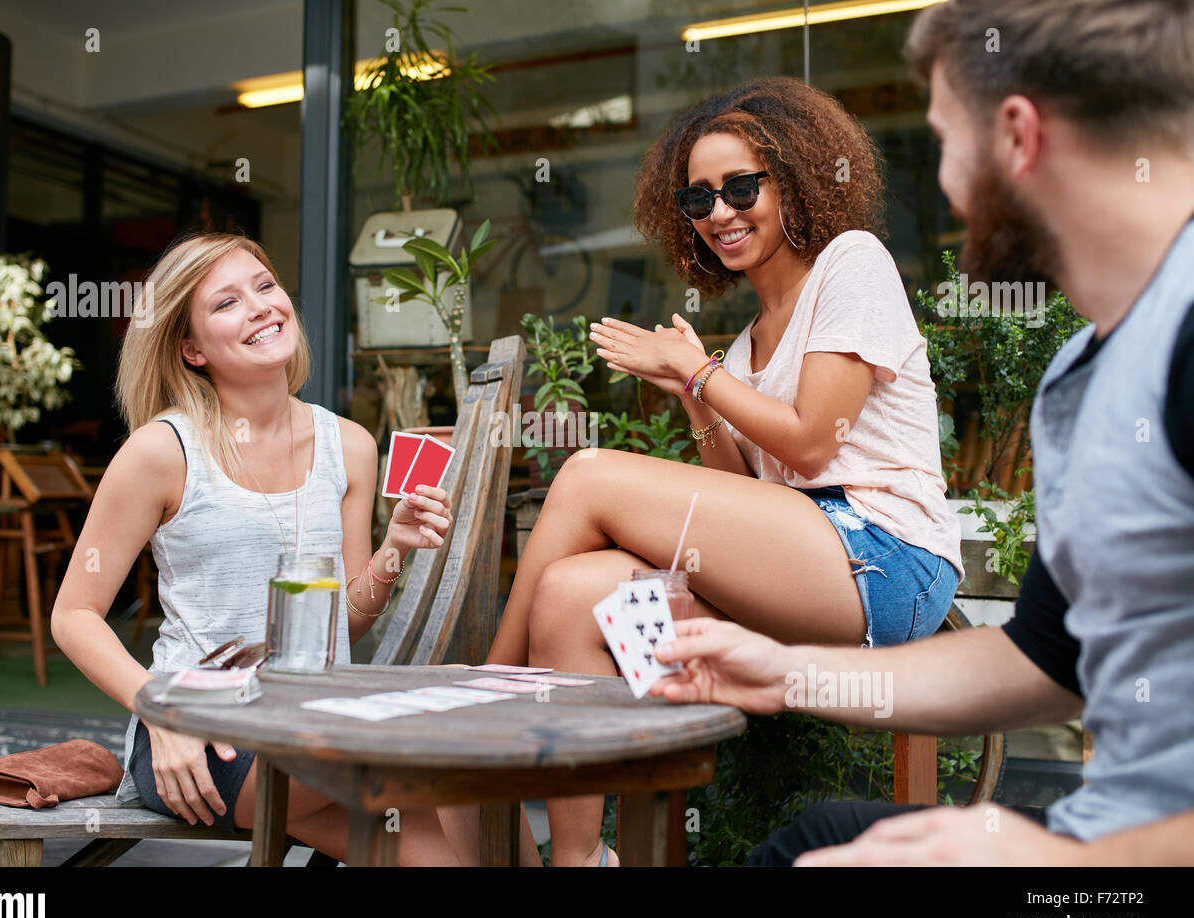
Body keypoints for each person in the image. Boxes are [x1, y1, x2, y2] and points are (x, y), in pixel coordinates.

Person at [650, 0, 1194, 866]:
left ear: (1017, 135)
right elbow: (1043, 664)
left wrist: (1071, 868)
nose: (942, 182)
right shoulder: (1084, 374)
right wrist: (782, 671)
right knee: (806, 848)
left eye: (946, 140)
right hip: (1107, 839)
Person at [465, 75, 963, 867]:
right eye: (699, 200)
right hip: (808, 560)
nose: (721, 213)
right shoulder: (743, 344)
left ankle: (482, 698)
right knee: (572, 595)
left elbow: (810, 446)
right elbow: (749, 495)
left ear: (793, 180)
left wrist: (700, 377)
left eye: (740, 187)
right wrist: (697, 398)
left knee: (590, 472)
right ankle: (579, 860)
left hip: (888, 561)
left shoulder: (851, 265)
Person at [50, 233, 462, 864]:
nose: (262, 307)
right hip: (202, 735)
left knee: (447, 847)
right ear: (189, 349)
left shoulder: (348, 445)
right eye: (227, 303)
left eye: (265, 286)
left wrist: (394, 548)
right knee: (446, 779)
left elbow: (346, 618)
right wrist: (161, 715)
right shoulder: (163, 452)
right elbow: (74, 614)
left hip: (319, 722)